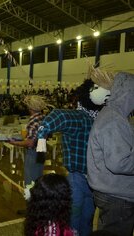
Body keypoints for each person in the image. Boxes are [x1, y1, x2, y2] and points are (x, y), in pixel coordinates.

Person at [36, 75, 112, 236]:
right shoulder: (79, 117)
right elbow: (57, 116)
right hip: (78, 178)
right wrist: (41, 139)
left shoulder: (101, 119)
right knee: (73, 218)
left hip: (95, 181)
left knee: (87, 218)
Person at [87, 72, 134, 236]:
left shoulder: (115, 115)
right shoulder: (113, 118)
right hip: (117, 196)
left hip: (112, 192)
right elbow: (119, 162)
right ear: (128, 93)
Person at [9, 95, 47, 186]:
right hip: (42, 150)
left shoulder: (33, 120)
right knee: (39, 178)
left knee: (30, 182)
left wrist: (15, 143)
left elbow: (30, 142)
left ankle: (31, 198)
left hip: (33, 152)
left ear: (30, 107)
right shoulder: (43, 117)